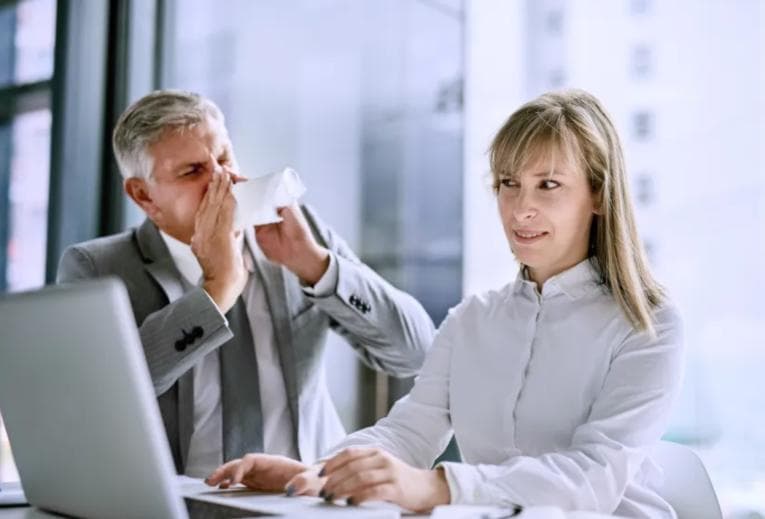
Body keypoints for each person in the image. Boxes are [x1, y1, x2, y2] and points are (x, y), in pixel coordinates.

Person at [206, 89, 685, 518]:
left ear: (598, 194)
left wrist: (435, 486)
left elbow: (591, 479)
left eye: (549, 184)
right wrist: (317, 473)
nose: (521, 209)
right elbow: (409, 433)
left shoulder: (649, 325)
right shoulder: (472, 319)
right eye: (508, 183)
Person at [56, 90, 436, 478]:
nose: (224, 180)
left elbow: (417, 352)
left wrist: (316, 266)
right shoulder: (97, 269)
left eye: (224, 158)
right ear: (143, 195)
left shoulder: (299, 234)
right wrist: (216, 290)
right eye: (192, 172)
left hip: (303, 501)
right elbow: (97, 401)